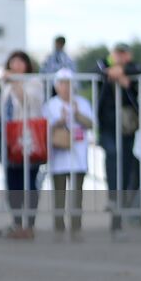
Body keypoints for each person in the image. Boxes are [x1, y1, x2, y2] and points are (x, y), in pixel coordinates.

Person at [0, 50, 45, 238]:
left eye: (20, 62)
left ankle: (30, 223)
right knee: (12, 180)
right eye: (12, 62)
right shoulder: (5, 85)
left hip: (27, 137)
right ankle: (17, 222)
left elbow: (28, 102)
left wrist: (15, 82)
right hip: (8, 137)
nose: (16, 65)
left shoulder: (34, 82)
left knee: (30, 181)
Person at [96, 43, 141, 236]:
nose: (120, 57)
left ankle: (117, 221)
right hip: (107, 126)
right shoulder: (102, 65)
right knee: (112, 156)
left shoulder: (133, 70)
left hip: (127, 127)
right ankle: (113, 200)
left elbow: (139, 71)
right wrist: (111, 69)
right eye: (117, 53)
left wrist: (123, 73)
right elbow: (94, 69)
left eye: (124, 54)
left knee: (126, 168)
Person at [44, 68, 93, 239]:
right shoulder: (51, 105)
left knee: (77, 193)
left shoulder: (83, 103)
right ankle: (58, 226)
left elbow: (90, 124)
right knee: (59, 193)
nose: (65, 87)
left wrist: (77, 114)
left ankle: (76, 226)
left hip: (78, 156)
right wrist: (60, 121)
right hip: (59, 156)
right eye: (62, 83)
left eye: (68, 84)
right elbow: (45, 128)